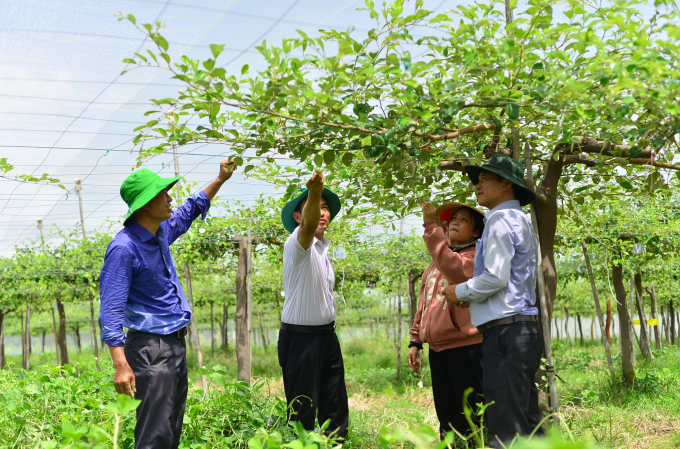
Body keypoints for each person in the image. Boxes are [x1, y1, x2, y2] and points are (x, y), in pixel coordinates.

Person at [99, 160, 236, 449]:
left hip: (174, 344)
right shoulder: (124, 248)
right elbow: (110, 312)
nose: (169, 198)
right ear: (146, 204)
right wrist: (120, 365)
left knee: (171, 430)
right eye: (163, 194)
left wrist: (220, 179)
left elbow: (190, 209)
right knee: (155, 434)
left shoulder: (159, 233)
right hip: (150, 349)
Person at [442, 153, 542, 448]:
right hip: (519, 329)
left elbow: (496, 278)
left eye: (485, 178)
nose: (478, 185)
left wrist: (458, 292)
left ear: (506, 185)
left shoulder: (499, 219)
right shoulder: (518, 219)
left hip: (506, 331)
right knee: (525, 419)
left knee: (505, 424)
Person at [278, 172, 348, 440]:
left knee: (335, 404)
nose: (322, 213)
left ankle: (336, 444)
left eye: (325, 208)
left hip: (327, 336)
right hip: (301, 339)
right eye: (315, 207)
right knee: (302, 409)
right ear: (299, 217)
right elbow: (308, 227)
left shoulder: (323, 249)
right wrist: (315, 193)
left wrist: (316, 196)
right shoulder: (298, 243)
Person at [408, 200, 485, 440]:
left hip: (467, 347)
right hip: (439, 349)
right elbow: (424, 304)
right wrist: (415, 340)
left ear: (476, 232)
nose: (455, 222)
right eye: (453, 218)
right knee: (447, 411)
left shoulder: (473, 258)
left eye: (464, 220)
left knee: (472, 412)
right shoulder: (434, 265)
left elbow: (455, 270)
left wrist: (431, 226)